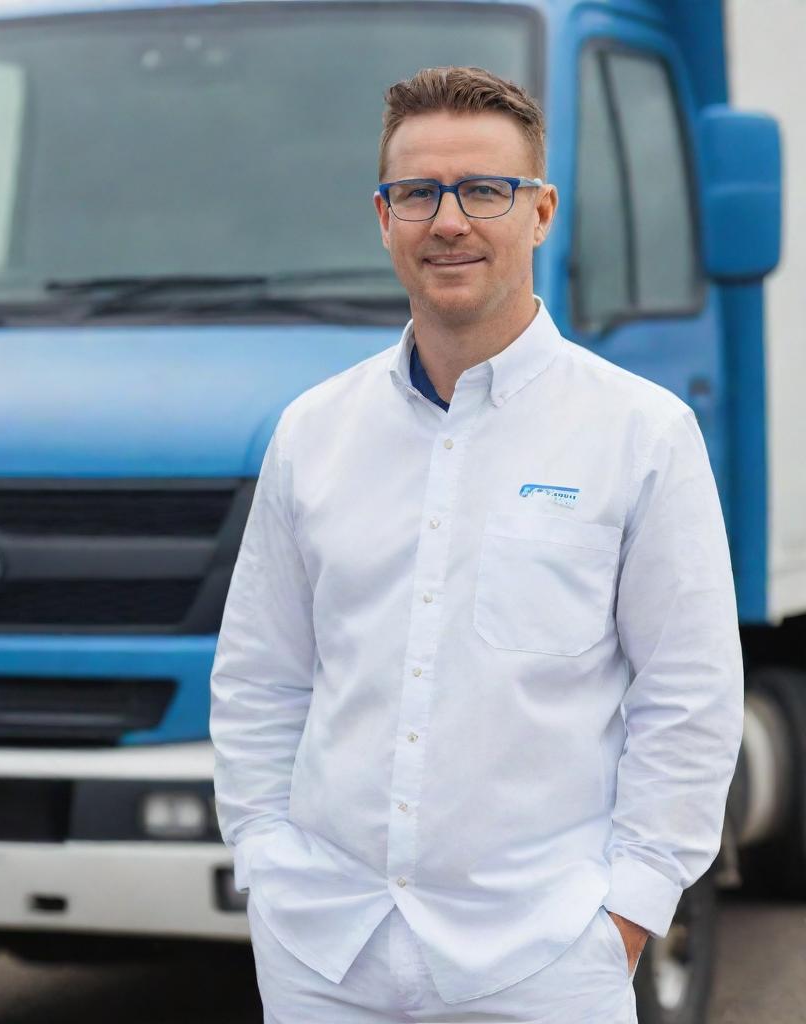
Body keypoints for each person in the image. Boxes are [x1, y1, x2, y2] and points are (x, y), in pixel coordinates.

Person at [209, 65, 744, 1023]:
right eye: (417, 193)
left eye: (483, 191)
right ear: (383, 217)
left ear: (539, 213)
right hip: (325, 951)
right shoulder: (312, 432)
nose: (447, 221)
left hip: (541, 959)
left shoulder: (640, 432)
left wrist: (628, 912)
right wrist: (266, 860)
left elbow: (689, 696)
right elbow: (261, 675)